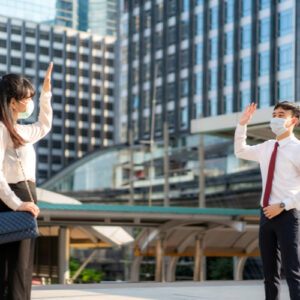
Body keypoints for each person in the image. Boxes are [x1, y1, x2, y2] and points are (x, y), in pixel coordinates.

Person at [235, 102, 300, 300]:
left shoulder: (297, 149)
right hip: (266, 216)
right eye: (274, 114)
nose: (275, 118)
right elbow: (241, 151)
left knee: (293, 272)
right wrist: (242, 125)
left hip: (288, 215)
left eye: (281, 114)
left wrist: (283, 205)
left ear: (293, 121)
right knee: (269, 275)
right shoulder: (267, 147)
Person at [0, 62, 53, 300]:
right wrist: (16, 203)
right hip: (12, 199)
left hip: (24, 197)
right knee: (13, 268)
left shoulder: (19, 130)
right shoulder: (2, 130)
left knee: (21, 267)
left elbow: (43, 126)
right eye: (27, 97)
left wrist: (46, 94)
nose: (29, 101)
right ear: (12, 102)